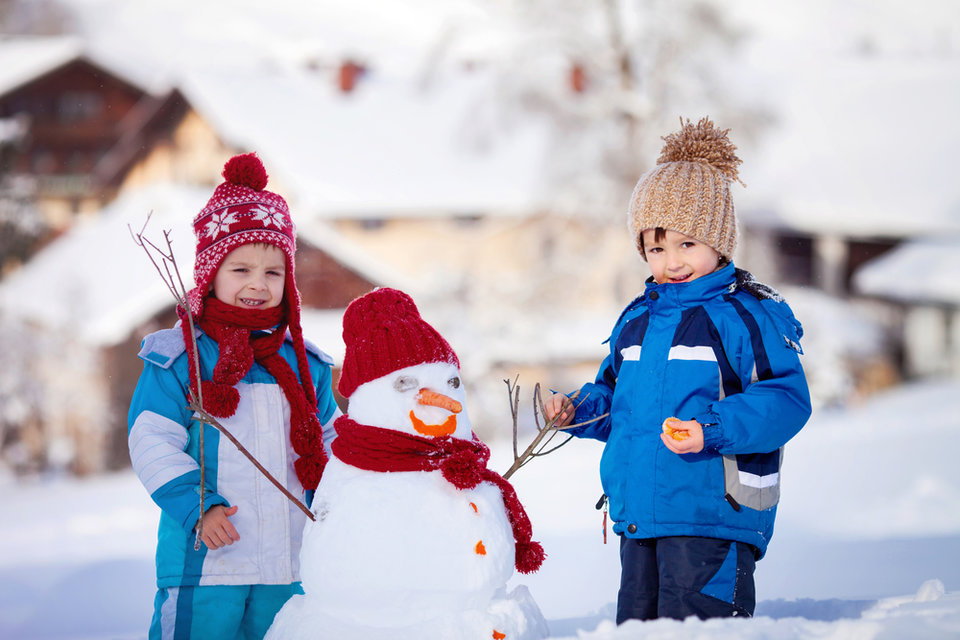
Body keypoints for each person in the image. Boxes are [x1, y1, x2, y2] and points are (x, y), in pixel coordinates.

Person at [544, 117, 811, 623]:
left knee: (699, 631)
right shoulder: (638, 318)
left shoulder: (743, 316)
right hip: (641, 517)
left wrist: (711, 430)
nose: (672, 260)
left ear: (719, 240)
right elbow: (616, 398)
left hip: (712, 514)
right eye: (657, 246)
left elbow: (785, 399)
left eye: (688, 243)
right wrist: (576, 411)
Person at [128, 152, 341, 639]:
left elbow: (333, 447)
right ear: (210, 274)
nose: (258, 285)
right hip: (206, 563)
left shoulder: (307, 366)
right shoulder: (180, 359)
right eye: (240, 269)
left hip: (291, 567)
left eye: (273, 273)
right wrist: (198, 503)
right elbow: (151, 440)